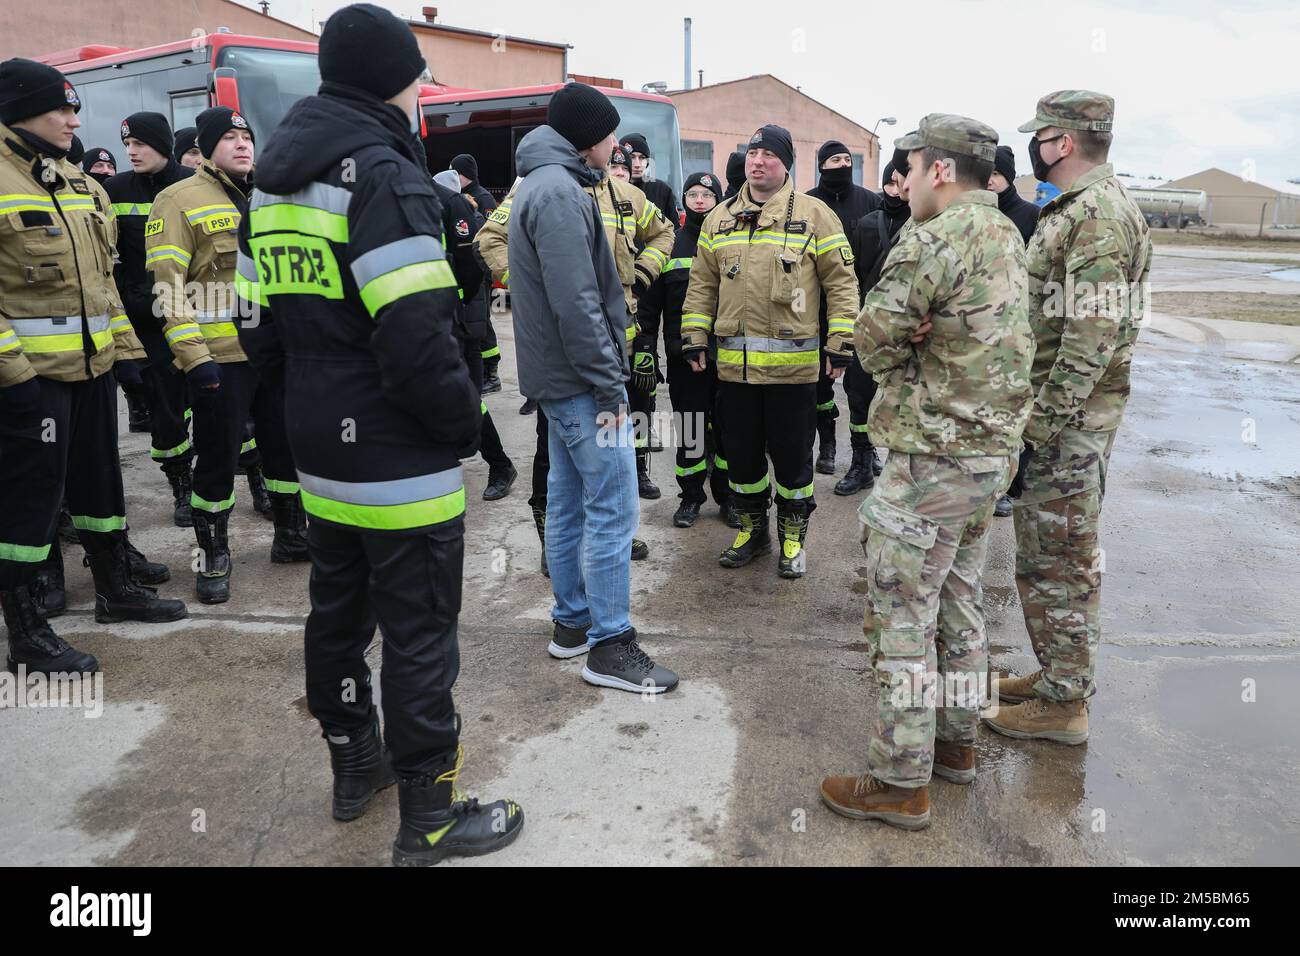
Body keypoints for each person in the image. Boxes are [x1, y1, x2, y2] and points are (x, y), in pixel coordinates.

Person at [236, 2, 523, 865]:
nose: (422, 95)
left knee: (338, 611)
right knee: (421, 629)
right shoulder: (387, 178)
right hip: (398, 453)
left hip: (318, 443)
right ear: (393, 81)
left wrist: (315, 393)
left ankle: (355, 763)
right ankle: (431, 818)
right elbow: (415, 337)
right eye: (417, 78)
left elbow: (255, 322)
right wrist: (460, 427)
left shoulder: (276, 176)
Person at [819, 114, 1034, 830]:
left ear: (939, 170)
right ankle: (957, 745)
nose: (902, 182)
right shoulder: (1005, 229)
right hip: (988, 458)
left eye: (908, 168)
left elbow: (870, 344)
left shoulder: (932, 238)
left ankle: (898, 780)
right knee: (961, 601)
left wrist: (901, 341)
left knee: (903, 613)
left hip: (933, 458)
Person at [0, 58, 187, 677]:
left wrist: (129, 362)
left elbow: (104, 286)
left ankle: (114, 589)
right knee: (29, 505)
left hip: (93, 371)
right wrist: (15, 378)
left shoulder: (80, 184)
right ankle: (27, 630)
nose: (73, 119)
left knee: (100, 487)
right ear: (21, 109)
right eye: (62, 106)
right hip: (30, 382)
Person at [984, 91, 1151, 745]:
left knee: (1063, 563)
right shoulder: (1078, 209)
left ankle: (1065, 704)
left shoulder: (1100, 216)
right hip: (1058, 420)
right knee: (1045, 559)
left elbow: (1090, 341)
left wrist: (1038, 430)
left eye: (1042, 136)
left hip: (1067, 428)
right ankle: (1058, 676)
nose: (1034, 147)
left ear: (1063, 142)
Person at [506, 81, 679, 693]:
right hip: (581, 381)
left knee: (571, 501)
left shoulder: (546, 183)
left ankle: (572, 623)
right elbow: (577, 304)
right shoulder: (559, 192)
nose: (616, 146)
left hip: (560, 380)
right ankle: (610, 643)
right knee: (614, 508)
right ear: (589, 138)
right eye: (610, 134)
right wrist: (612, 388)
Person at [680, 125, 859, 578]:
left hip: (793, 374)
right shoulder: (720, 218)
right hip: (733, 374)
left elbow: (841, 284)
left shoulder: (816, 215)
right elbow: (702, 285)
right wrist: (694, 336)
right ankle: (754, 531)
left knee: (794, 459)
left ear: (786, 164)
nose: (757, 161)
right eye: (752, 153)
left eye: (768, 154)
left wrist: (840, 345)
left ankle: (793, 537)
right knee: (740, 458)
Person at [148, 106, 306, 604]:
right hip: (220, 358)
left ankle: (291, 535)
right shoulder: (178, 199)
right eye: (230, 137)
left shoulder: (270, 195)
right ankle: (213, 554)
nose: (242, 144)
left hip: (274, 357)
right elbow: (168, 290)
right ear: (207, 145)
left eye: (247, 136)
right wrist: (194, 358)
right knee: (217, 460)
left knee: (284, 450)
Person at [105, 112, 199, 520]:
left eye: (140, 143)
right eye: (127, 144)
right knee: (166, 408)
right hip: (148, 321)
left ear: (162, 143)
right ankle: (181, 484)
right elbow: (110, 258)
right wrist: (131, 300)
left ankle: (251, 481)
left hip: (198, 311)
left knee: (222, 403)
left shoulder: (193, 187)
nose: (131, 151)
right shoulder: (114, 189)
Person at [636, 171, 732, 528]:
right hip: (685, 359)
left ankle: (727, 498)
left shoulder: (732, 242)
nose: (700, 201)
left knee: (728, 432)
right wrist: (647, 348)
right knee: (691, 429)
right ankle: (691, 497)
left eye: (707, 195)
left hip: (729, 356)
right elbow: (648, 308)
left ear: (719, 200)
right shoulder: (670, 246)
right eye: (692, 195)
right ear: (684, 201)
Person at [431, 168, 516, 501]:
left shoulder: (450, 202)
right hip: (423, 321)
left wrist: (458, 307)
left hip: (458, 320)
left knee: (466, 394)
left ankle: (500, 465)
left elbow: (470, 260)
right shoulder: (392, 199)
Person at [837, 155, 912, 495]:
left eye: (900, 182)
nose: (894, 189)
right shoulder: (867, 224)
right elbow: (850, 278)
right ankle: (861, 462)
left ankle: (900, 467)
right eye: (889, 182)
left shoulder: (922, 223)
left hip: (908, 329)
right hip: (867, 324)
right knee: (859, 396)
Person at [807, 140, 881, 477]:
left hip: (860, 308)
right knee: (820, 383)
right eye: (835, 160)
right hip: (814, 307)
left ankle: (865, 452)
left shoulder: (870, 201)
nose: (842, 165)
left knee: (860, 385)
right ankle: (827, 445)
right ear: (821, 164)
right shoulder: (808, 204)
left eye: (847, 160)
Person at [989, 144, 1041, 518]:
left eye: (997, 174)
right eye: (985, 174)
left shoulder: (1031, 216)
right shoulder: (977, 217)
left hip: (1021, 329)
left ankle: (1011, 485)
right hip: (983, 330)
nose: (989, 181)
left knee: (1017, 414)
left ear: (1008, 176)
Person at [621, 132, 680, 226]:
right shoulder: (610, 188)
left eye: (642, 158)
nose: (637, 164)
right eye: (631, 157)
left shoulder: (662, 190)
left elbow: (674, 230)